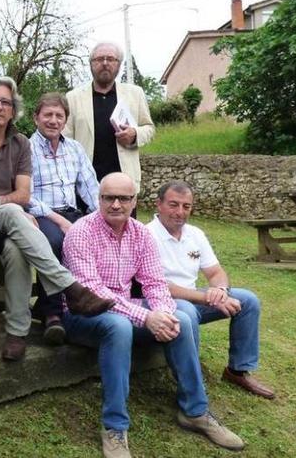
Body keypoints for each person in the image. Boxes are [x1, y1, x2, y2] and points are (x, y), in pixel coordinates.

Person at [62, 172, 244, 457]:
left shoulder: (141, 234)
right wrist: (146, 318)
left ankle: (195, 411)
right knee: (119, 327)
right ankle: (114, 427)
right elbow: (92, 291)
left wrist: (161, 312)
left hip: (124, 307)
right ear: (99, 199)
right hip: (82, 313)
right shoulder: (81, 232)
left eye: (124, 198)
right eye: (109, 198)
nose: (116, 204)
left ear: (134, 201)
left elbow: (155, 282)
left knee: (180, 319)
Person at [0, 76, 112, 362]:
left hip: (12, 215)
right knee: (18, 214)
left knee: (16, 251)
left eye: (6, 102)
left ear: (14, 110)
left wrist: (2, 203)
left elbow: (24, 193)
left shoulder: (20, 143)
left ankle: (16, 333)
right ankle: (71, 289)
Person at [146, 180, 275, 399]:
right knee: (186, 312)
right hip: (163, 301)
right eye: (173, 204)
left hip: (194, 296)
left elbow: (215, 272)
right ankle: (190, 383)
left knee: (248, 300)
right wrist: (207, 297)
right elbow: (158, 285)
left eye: (186, 206)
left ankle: (237, 370)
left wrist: (221, 291)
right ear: (158, 204)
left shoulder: (194, 234)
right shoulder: (146, 235)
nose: (180, 212)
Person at [28, 92, 100, 344]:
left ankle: (84, 305)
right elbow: (24, 195)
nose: (53, 120)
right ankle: (53, 315)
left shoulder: (75, 148)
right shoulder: (25, 148)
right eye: (48, 114)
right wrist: (59, 221)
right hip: (42, 214)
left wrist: (102, 217)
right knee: (55, 242)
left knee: (97, 242)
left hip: (74, 212)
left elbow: (90, 186)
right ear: (36, 117)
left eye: (59, 116)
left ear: (65, 120)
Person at [63, 41, 155, 192]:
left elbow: (149, 128)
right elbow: (65, 141)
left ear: (119, 64)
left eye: (110, 59)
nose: (105, 63)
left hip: (124, 183)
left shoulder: (135, 93)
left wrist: (135, 134)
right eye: (99, 59)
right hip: (85, 184)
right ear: (91, 64)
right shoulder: (72, 97)